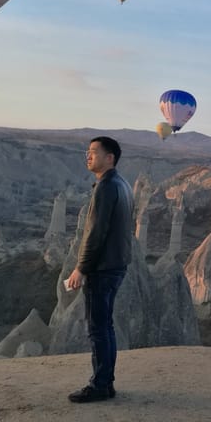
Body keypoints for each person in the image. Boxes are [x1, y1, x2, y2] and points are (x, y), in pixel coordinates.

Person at [66, 136, 135, 403]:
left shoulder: (106, 187)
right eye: (87, 152)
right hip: (116, 264)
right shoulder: (123, 184)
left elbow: (96, 232)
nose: (88, 156)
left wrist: (81, 268)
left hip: (103, 267)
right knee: (105, 326)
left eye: (94, 152)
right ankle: (105, 382)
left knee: (98, 328)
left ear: (110, 158)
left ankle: (100, 385)